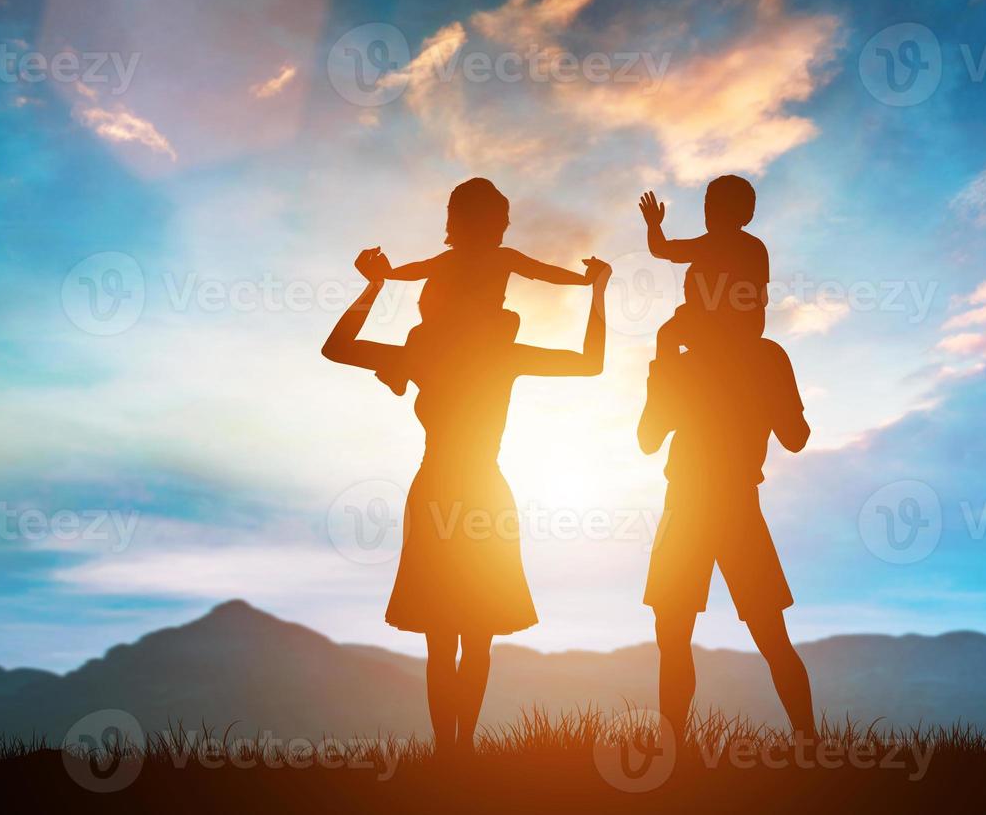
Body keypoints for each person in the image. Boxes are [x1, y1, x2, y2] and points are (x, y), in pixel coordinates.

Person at [322, 242, 611, 760]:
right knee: (475, 631)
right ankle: (461, 753)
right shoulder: (500, 351)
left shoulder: (423, 351)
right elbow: (590, 363)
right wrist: (598, 293)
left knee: (443, 634)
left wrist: (374, 286)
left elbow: (337, 348)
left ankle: (449, 753)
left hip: (438, 486)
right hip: (481, 488)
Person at [638, 310, 817, 741]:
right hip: (732, 504)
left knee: (674, 634)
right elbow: (796, 436)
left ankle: (673, 747)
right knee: (771, 635)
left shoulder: (684, 364)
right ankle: (808, 742)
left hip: (690, 503)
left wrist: (664, 359)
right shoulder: (766, 356)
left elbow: (647, 439)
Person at [379, 177, 596, 394]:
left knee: (504, 320)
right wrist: (388, 274)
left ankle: (402, 370)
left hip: (459, 329)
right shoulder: (485, 258)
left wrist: (583, 280)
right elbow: (544, 272)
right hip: (444, 325)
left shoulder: (482, 258)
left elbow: (544, 272)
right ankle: (401, 372)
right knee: (424, 334)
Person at [638, 175, 769, 360]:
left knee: (667, 335)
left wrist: (653, 225)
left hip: (714, 323)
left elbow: (660, 250)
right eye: (708, 205)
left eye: (714, 206)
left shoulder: (712, 243)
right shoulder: (757, 247)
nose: (707, 212)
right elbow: (763, 297)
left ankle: (666, 384)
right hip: (751, 325)